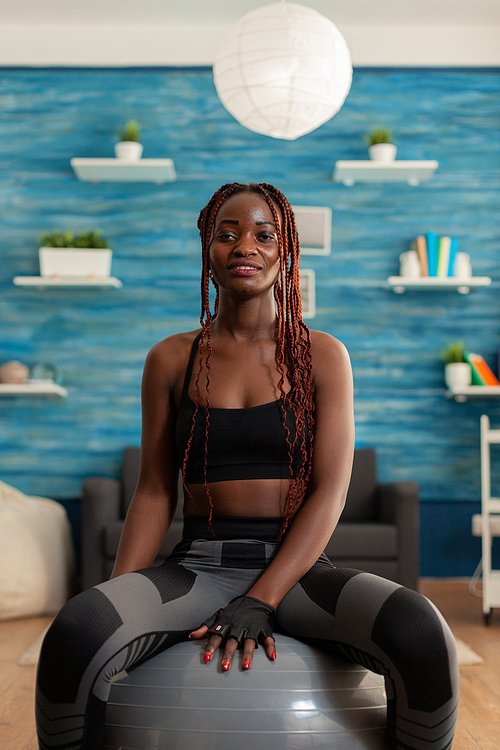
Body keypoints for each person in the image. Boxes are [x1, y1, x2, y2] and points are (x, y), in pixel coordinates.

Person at [35, 182, 459, 750]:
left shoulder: (323, 356)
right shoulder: (169, 358)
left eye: (264, 235)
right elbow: (156, 491)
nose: (245, 247)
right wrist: (116, 601)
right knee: (79, 627)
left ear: (286, 254)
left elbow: (331, 492)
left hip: (301, 571)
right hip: (199, 567)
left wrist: (262, 598)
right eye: (226, 235)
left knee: (421, 629)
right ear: (208, 253)